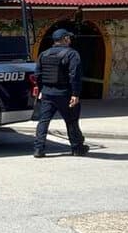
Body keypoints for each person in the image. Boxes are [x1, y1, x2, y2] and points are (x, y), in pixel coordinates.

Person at [33, 29, 88, 158]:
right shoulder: (72, 54)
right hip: (65, 94)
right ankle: (77, 148)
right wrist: (75, 94)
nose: (70, 40)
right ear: (65, 39)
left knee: (43, 121)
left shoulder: (44, 54)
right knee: (71, 121)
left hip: (47, 93)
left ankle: (38, 149)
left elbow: (37, 75)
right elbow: (74, 75)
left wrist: (41, 90)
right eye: (69, 38)